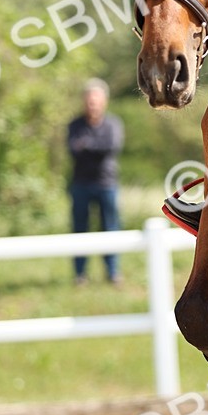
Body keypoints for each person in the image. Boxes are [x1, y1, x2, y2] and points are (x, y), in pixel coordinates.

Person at [67, 78, 124, 284]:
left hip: (107, 184)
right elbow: (74, 150)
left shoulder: (113, 124)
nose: (93, 104)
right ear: (84, 101)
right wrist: (94, 147)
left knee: (110, 227)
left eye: (96, 100)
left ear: (104, 101)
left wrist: (87, 146)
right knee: (80, 229)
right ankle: (80, 274)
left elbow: (111, 147)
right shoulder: (75, 125)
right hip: (80, 184)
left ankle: (112, 272)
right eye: (89, 100)